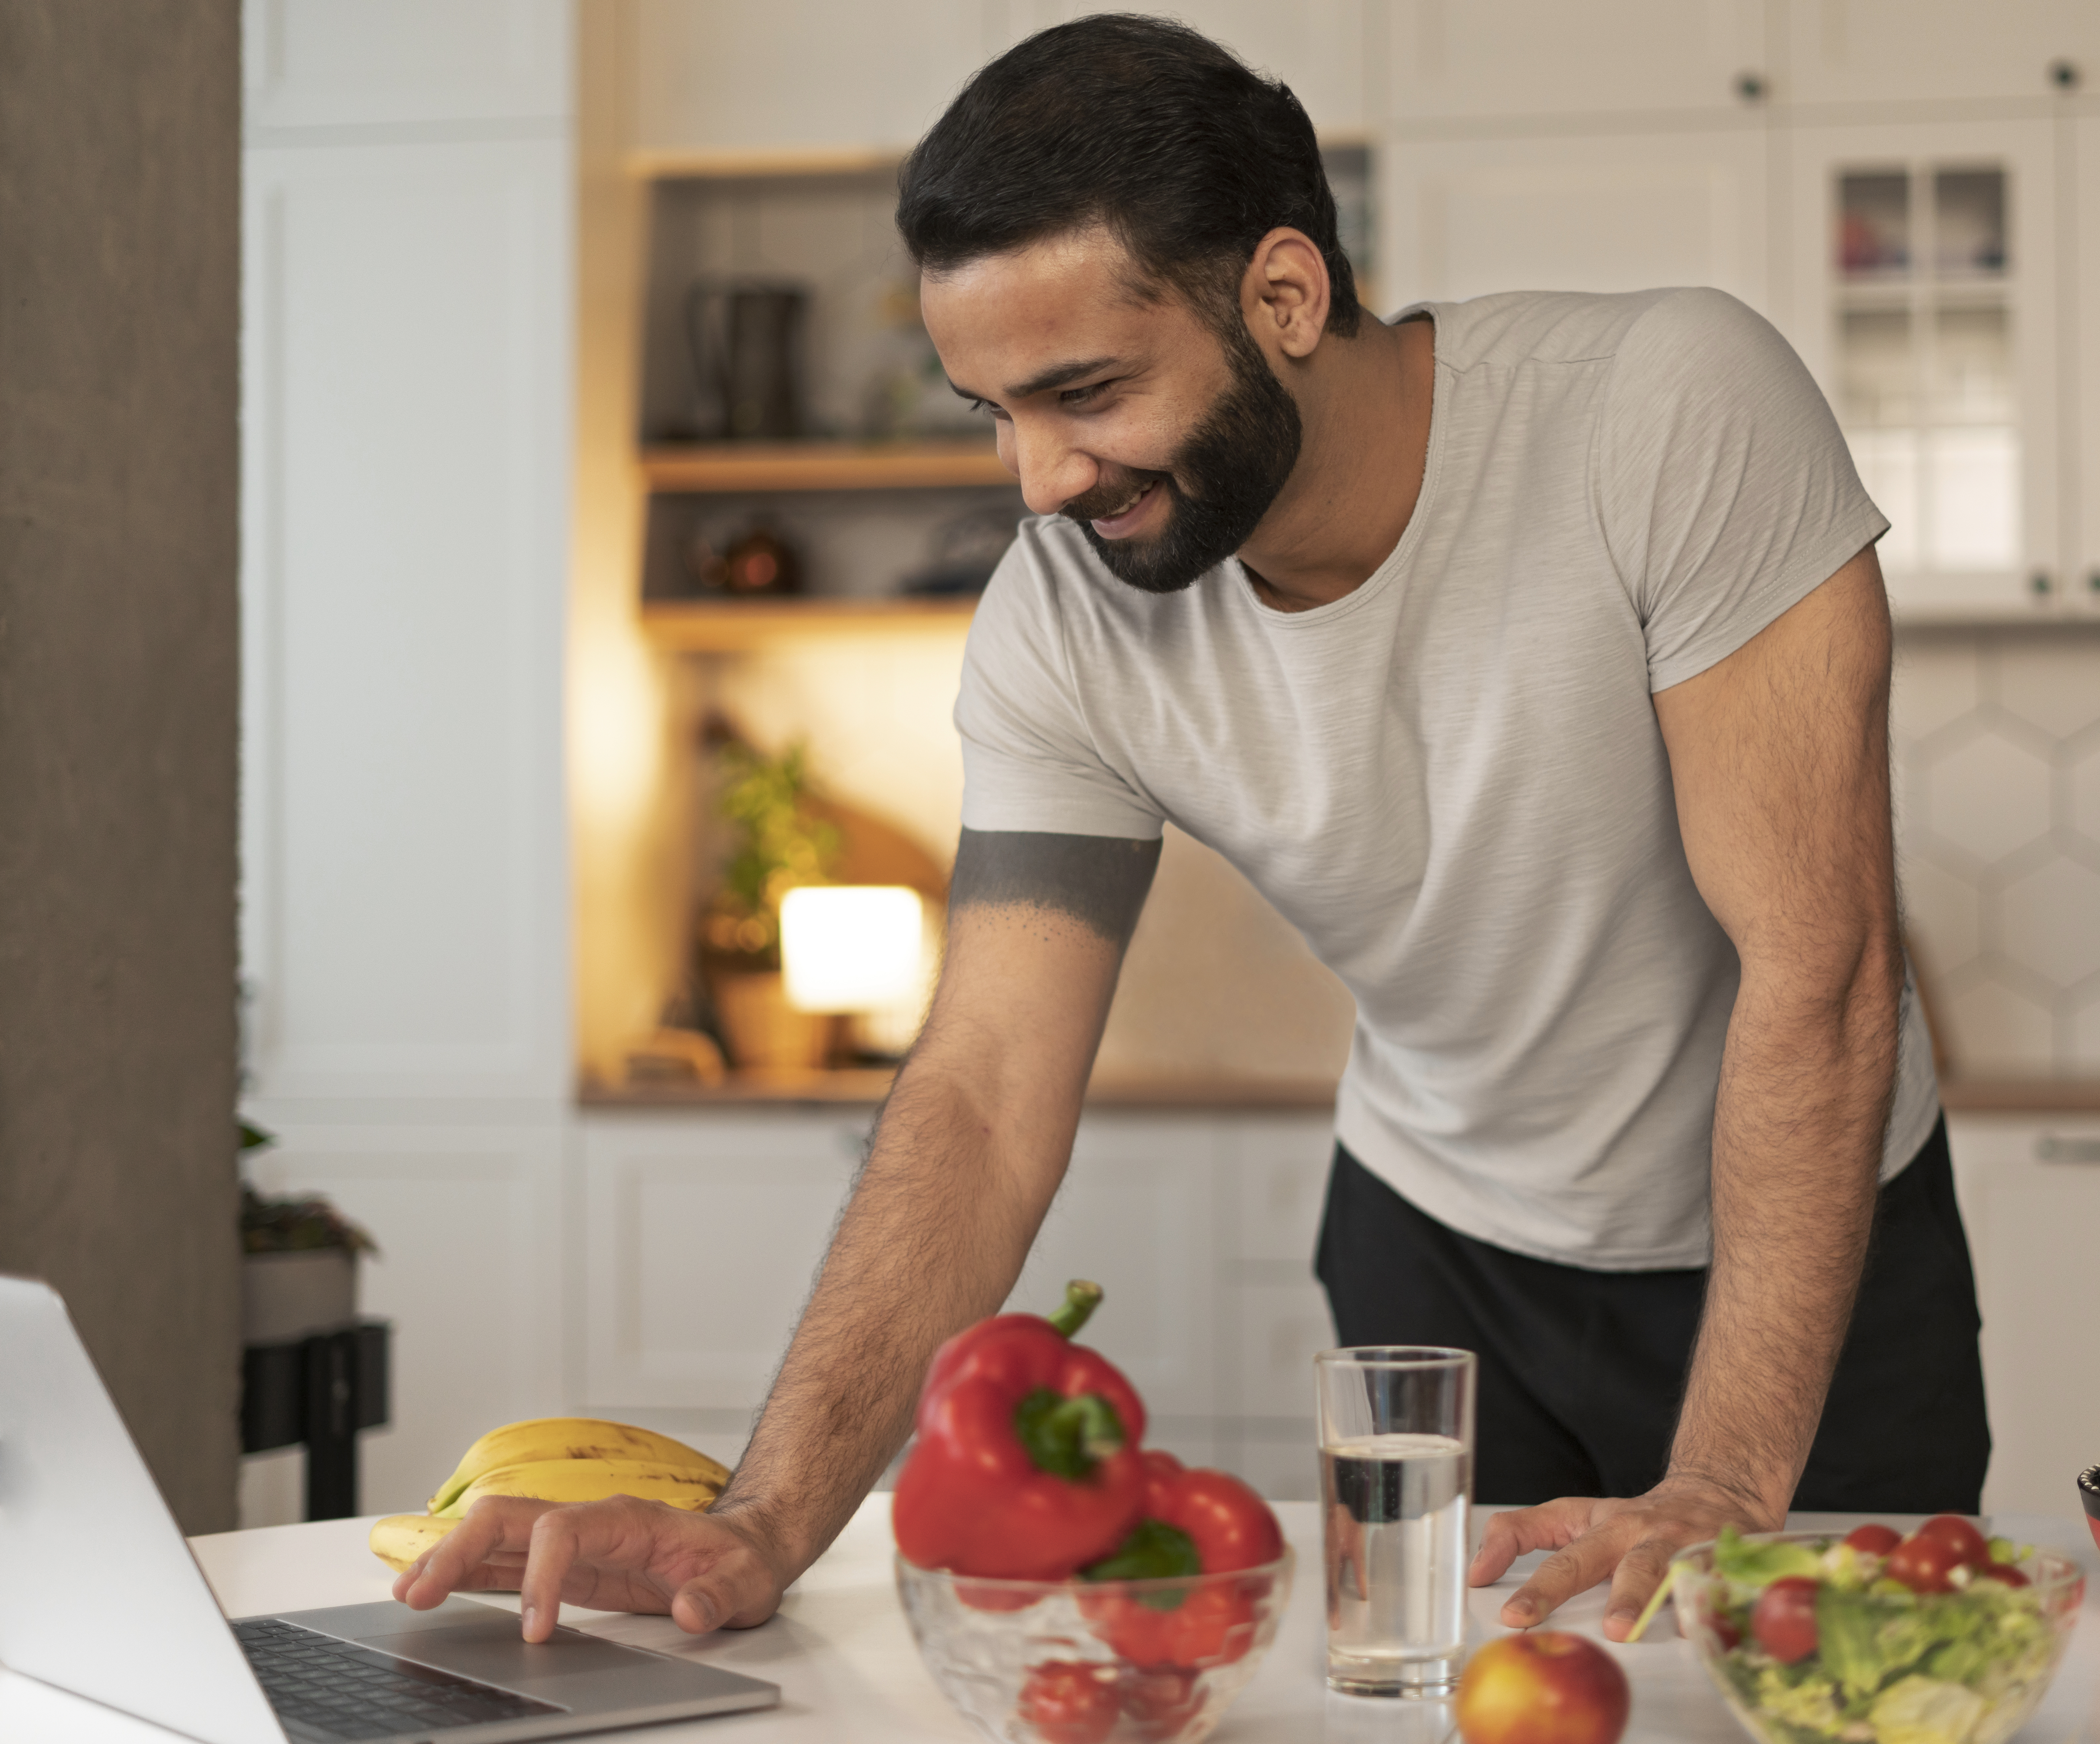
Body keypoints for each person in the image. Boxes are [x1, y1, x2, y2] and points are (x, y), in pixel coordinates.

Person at [397, 14, 1986, 1649]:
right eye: (991, 410)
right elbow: (984, 1085)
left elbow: (1821, 965)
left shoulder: (1666, 412)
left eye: (1083, 390)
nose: (1034, 479)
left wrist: (1721, 1478)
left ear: (1284, 298)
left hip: (1813, 1252)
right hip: (1434, 1258)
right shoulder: (1063, 619)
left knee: (1863, 1688)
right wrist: (757, 1525)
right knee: (1462, 1698)